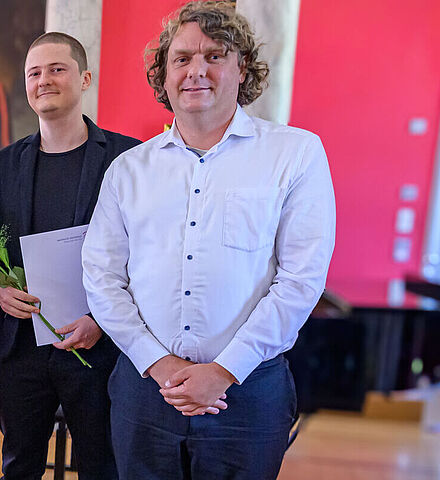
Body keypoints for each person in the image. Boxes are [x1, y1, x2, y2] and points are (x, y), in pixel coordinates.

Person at [81, 2, 336, 478]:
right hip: (145, 390)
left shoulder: (295, 154)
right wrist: (159, 364)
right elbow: (101, 277)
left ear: (242, 68)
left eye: (214, 55)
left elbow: (301, 280)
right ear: (163, 74)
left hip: (248, 391)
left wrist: (222, 372)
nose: (196, 70)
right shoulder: (129, 169)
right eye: (181, 59)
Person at [0, 32, 139, 480]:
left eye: (57, 69)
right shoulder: (3, 164)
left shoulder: (128, 158)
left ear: (85, 78)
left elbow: (144, 255)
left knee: (101, 466)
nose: (44, 80)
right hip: (21, 345)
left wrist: (102, 319)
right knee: (18, 465)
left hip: (99, 342)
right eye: (35, 72)